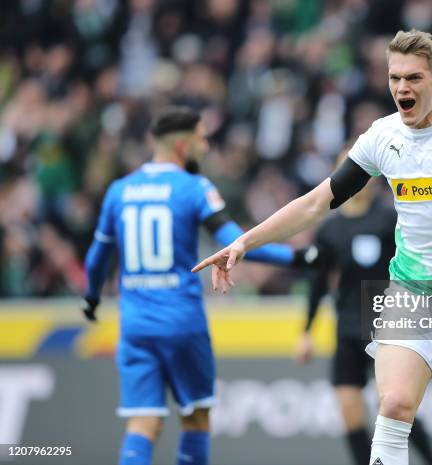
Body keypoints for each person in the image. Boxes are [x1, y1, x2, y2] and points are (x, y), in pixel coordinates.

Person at [193, 29, 432, 465]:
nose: (402, 88)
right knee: (395, 405)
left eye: (414, 78)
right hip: (411, 291)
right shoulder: (382, 137)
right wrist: (243, 241)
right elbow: (316, 203)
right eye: (395, 77)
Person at [80, 106, 314, 465]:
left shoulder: (119, 191)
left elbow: (97, 259)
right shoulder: (194, 188)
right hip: (182, 322)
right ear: (182, 144)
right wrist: (300, 258)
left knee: (143, 423)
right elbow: (235, 242)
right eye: (202, 139)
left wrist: (92, 300)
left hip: (136, 326)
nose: (205, 147)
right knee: (196, 418)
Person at [295, 153, 432, 465]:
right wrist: (306, 331)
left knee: (395, 406)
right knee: (350, 412)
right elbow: (319, 283)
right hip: (347, 326)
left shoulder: (390, 219)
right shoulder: (330, 229)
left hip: (389, 325)